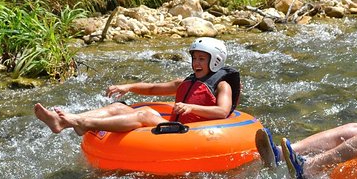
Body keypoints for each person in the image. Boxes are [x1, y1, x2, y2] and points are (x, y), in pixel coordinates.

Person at [34, 37, 240, 135]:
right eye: (195, 58)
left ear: (215, 60)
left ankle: (78, 123)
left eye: (202, 59)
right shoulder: (186, 82)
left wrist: (192, 108)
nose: (196, 63)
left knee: (144, 114)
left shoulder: (222, 85)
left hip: (193, 132)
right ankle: (68, 121)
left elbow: (222, 111)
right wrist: (128, 87)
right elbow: (152, 88)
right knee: (118, 107)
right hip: (174, 128)